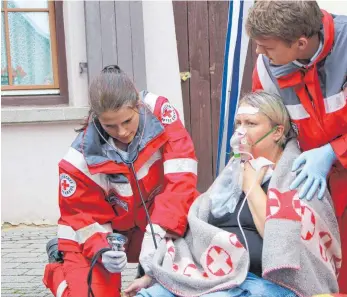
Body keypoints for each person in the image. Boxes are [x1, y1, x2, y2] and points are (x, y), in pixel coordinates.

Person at [124, 92, 341, 297]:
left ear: (277, 132)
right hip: (213, 279)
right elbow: (195, 232)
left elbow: (281, 239)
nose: (241, 132)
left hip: (265, 283)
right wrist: (154, 274)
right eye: (239, 123)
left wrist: (252, 187)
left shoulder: (299, 177)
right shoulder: (228, 179)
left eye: (251, 123)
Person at [42, 65, 200, 297]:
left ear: (137, 104)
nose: (122, 132)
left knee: (185, 283)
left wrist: (158, 231)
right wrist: (102, 249)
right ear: (96, 118)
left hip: (156, 221)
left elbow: (181, 180)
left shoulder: (161, 116)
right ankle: (58, 267)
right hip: (100, 233)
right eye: (110, 126)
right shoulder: (78, 161)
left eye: (127, 121)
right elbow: (83, 217)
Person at [246, 1, 347, 291]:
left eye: (267, 46)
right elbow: (267, 125)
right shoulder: (267, 67)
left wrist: (333, 152)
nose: (259, 53)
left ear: (301, 43)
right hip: (315, 188)